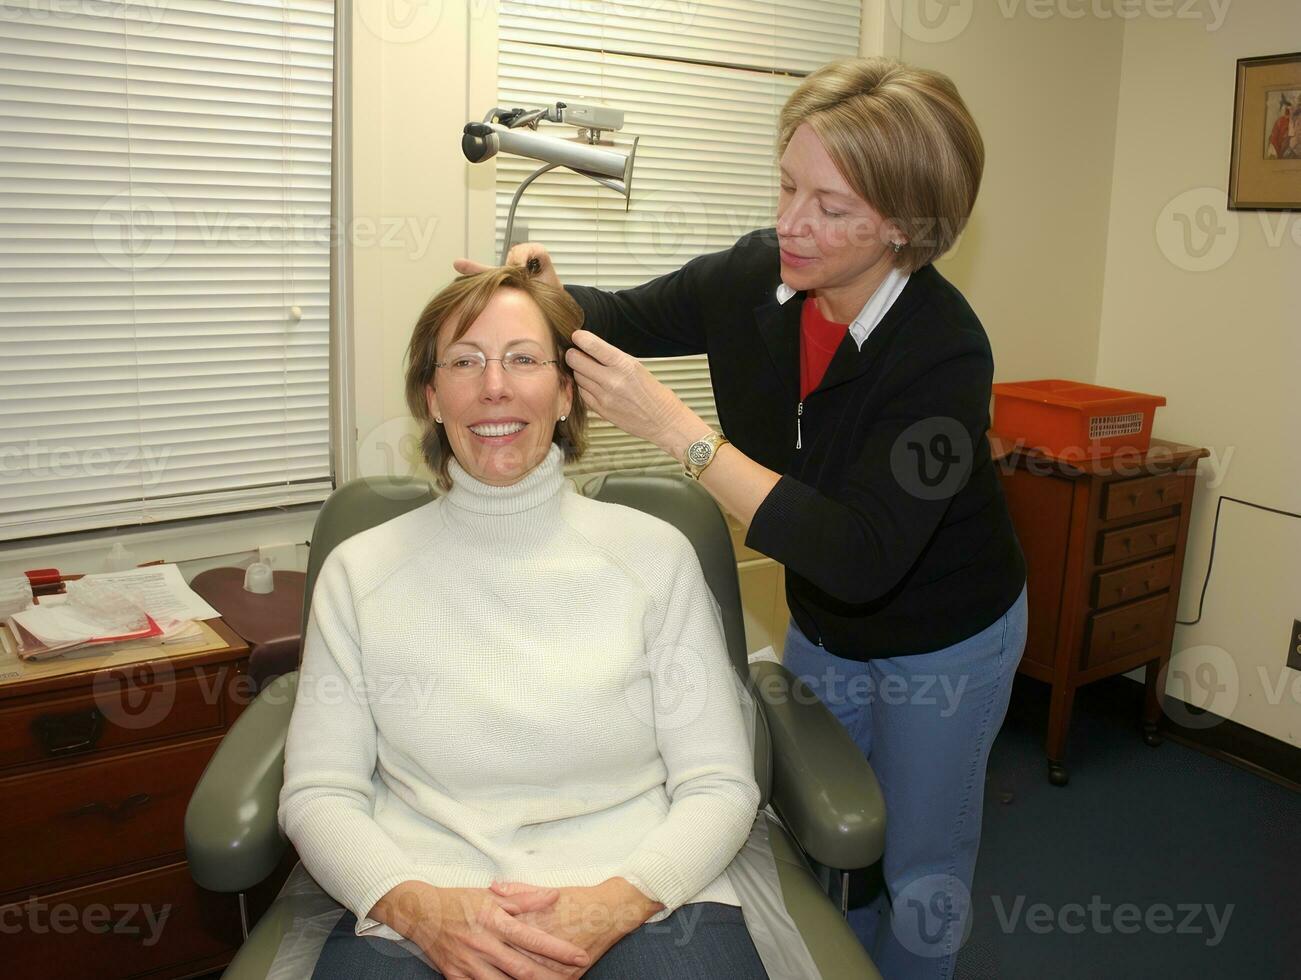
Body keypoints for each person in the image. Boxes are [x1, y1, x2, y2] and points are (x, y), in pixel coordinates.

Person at [457, 56, 1029, 980]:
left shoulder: (944, 353)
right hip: (825, 627)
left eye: (830, 206)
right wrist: (541, 295)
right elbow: (620, 315)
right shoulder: (755, 279)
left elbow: (860, 555)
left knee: (921, 868)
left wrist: (677, 433)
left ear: (906, 226)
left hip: (943, 638)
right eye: (786, 183)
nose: (788, 222)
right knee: (811, 830)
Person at [278, 266, 770, 979]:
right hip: (423, 893)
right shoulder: (360, 572)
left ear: (566, 392)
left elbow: (719, 784)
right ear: (432, 398)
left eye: (522, 359)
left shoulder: (654, 556)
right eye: (464, 362)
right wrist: (420, 907)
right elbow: (321, 791)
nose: (494, 387)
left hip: (640, 884)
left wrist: (614, 901)